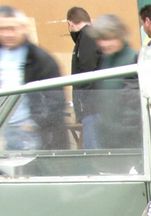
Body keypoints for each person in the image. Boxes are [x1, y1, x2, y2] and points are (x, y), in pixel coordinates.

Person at [0, 6, 66, 151]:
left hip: (30, 133)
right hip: (4, 130)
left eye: (12, 28)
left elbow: (55, 100)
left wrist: (35, 123)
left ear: (23, 28)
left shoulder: (41, 60)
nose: (7, 34)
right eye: (2, 29)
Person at [87, 14, 140, 149]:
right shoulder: (106, 59)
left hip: (127, 140)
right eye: (100, 39)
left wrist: (124, 133)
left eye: (107, 38)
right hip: (108, 136)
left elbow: (133, 106)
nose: (103, 44)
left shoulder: (132, 60)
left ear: (120, 36)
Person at [66, 7, 100, 148]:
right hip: (95, 107)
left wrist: (82, 107)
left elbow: (87, 75)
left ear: (70, 23)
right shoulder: (89, 37)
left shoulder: (86, 39)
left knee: (93, 153)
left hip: (92, 109)